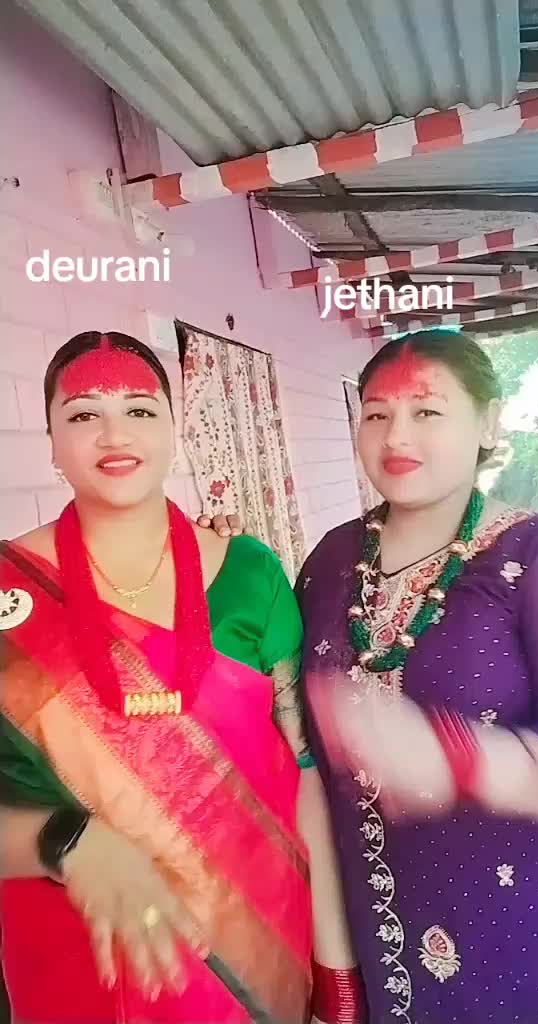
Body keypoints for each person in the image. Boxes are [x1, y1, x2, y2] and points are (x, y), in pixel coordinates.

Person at [0, 331, 364, 1024]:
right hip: (80, 968)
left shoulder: (250, 575)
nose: (115, 433)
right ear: (51, 442)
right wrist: (66, 842)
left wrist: (336, 975)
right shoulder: (8, 594)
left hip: (260, 961)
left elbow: (304, 775)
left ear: (175, 432)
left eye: (140, 410)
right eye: (83, 413)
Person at [290, 330, 538, 1023]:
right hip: (371, 932)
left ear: (488, 423)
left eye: (426, 411)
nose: (396, 436)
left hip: (520, 937)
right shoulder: (330, 560)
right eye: (377, 413)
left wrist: (462, 758)